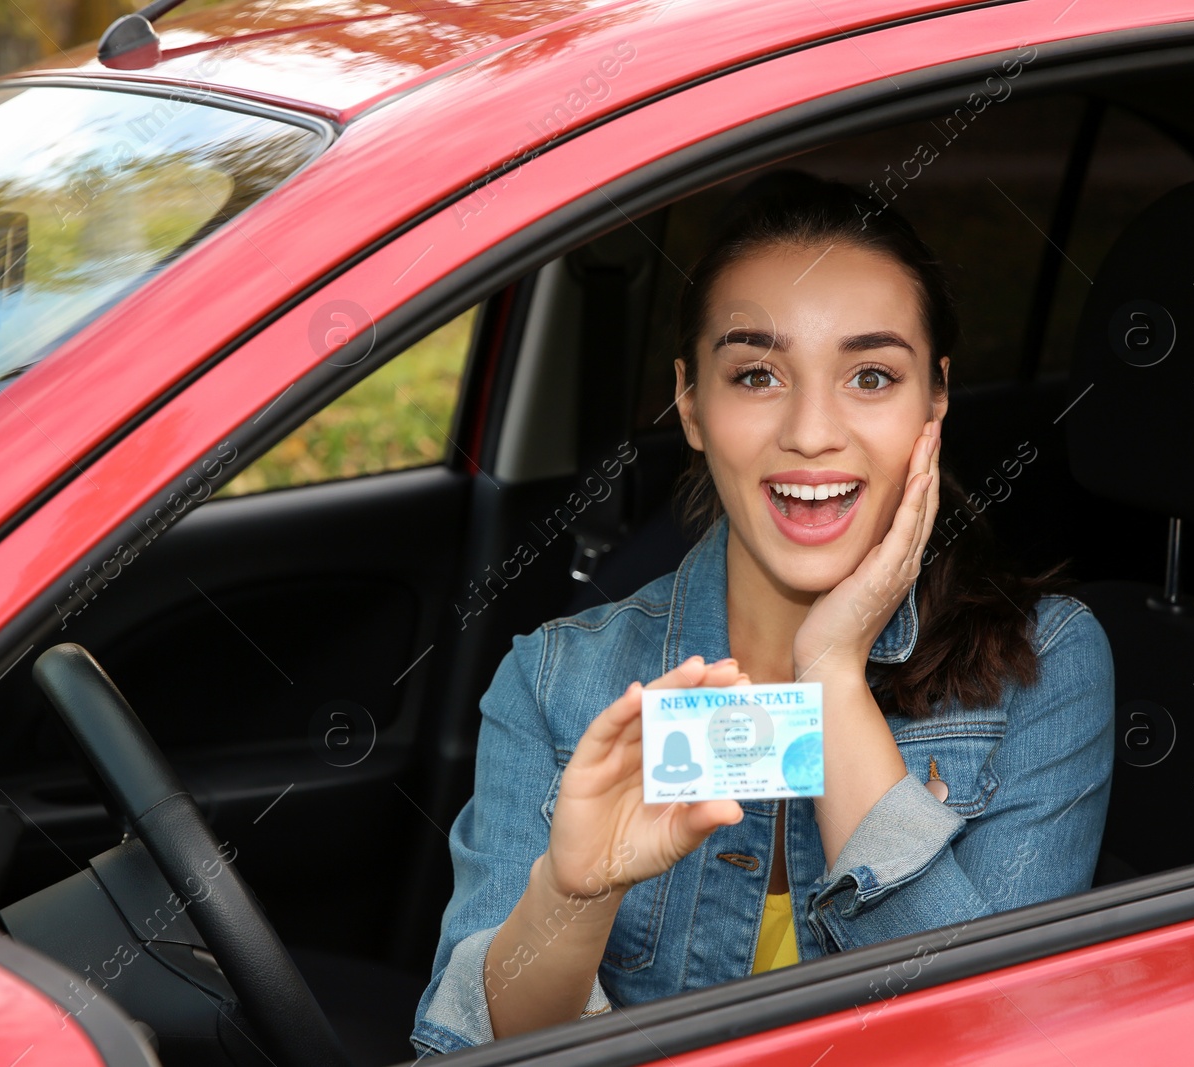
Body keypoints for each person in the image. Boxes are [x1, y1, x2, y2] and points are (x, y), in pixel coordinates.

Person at [410, 172, 1115, 1055]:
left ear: (934, 399)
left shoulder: (1043, 664)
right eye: (755, 374)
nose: (813, 430)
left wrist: (830, 675)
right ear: (691, 403)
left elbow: (995, 1039)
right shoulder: (561, 678)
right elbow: (465, 1049)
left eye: (869, 375)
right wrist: (572, 895)